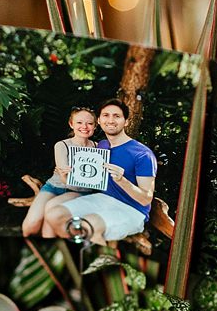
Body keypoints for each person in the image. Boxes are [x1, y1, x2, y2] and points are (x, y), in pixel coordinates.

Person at [42, 98, 157, 244]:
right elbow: (87, 173)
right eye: (106, 115)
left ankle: (97, 255)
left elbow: (146, 199)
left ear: (126, 121)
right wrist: (67, 174)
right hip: (103, 200)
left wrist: (122, 180)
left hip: (132, 209)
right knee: (54, 215)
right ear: (99, 121)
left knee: (88, 225)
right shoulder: (101, 146)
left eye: (117, 116)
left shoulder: (142, 154)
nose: (111, 120)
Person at [21, 105, 98, 237]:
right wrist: (65, 175)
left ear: (95, 126)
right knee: (30, 226)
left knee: (51, 212)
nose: (84, 126)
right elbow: (64, 178)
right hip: (54, 187)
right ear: (71, 124)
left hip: (78, 191)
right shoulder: (62, 145)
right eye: (79, 122)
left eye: (89, 123)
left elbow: (87, 180)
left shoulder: (98, 147)